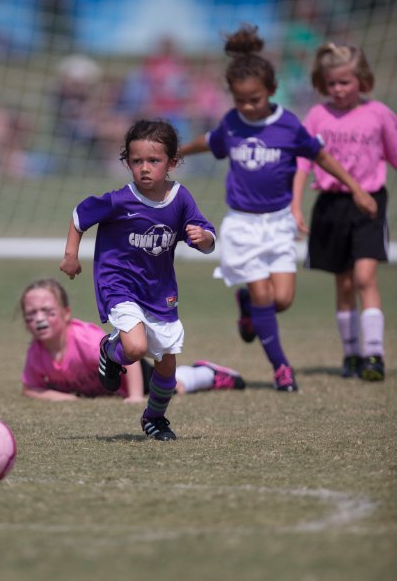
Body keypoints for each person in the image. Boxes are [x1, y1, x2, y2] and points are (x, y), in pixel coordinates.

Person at [178, 25, 377, 393]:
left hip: (279, 224)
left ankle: (247, 305)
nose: (248, 107)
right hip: (242, 226)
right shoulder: (232, 124)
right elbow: (210, 140)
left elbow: (321, 156)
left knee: (281, 300)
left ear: (271, 90)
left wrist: (357, 189)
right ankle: (281, 368)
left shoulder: (288, 125)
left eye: (255, 99)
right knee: (265, 296)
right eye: (241, 101)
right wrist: (180, 152)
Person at [60, 119, 216, 440]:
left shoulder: (180, 198)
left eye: (154, 161)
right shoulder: (120, 200)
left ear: (172, 162)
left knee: (167, 367)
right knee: (135, 347)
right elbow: (80, 215)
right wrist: (71, 255)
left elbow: (207, 237)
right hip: (119, 284)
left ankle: (154, 418)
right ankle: (111, 351)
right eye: (136, 161)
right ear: (127, 162)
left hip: (159, 291)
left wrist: (204, 238)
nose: (144, 168)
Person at [292, 42, 397, 382]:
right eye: (331, 83)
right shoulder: (318, 116)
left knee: (366, 277)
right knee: (345, 281)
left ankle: (374, 355)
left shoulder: (379, 113)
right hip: (331, 204)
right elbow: (303, 162)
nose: (338, 89)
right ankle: (351, 354)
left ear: (362, 80)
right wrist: (295, 205)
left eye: (345, 82)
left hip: (369, 202)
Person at [20, 278, 244, 402]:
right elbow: (31, 388)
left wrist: (136, 396)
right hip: (114, 389)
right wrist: (62, 398)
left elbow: (129, 354)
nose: (40, 320)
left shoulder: (84, 340)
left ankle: (207, 373)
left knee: (174, 387)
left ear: (66, 313)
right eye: (31, 315)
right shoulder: (36, 352)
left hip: (130, 371)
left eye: (47, 311)